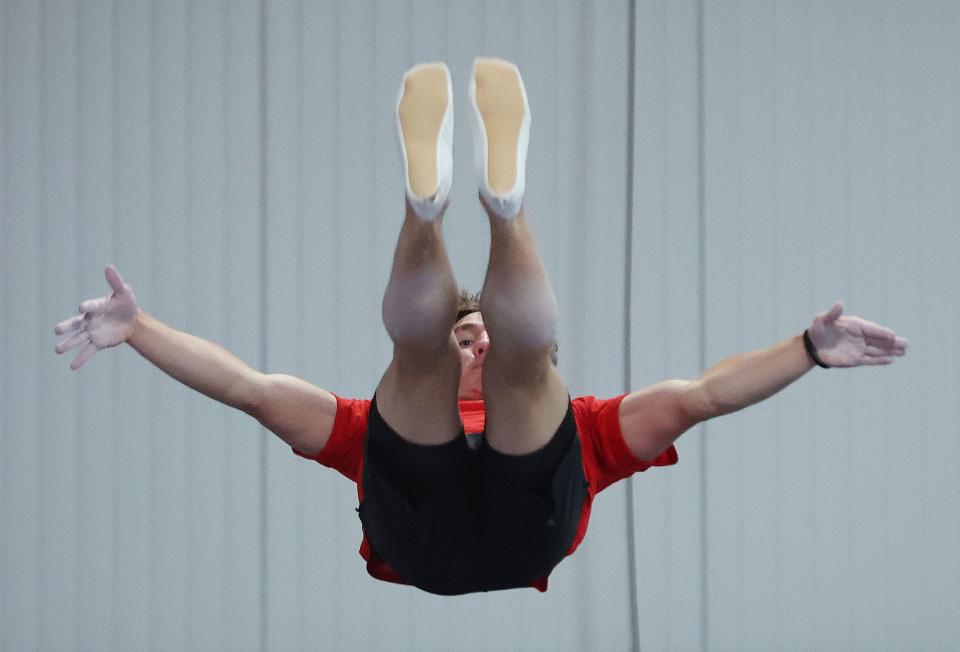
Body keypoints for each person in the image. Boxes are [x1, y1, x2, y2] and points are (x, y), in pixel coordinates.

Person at [54, 59, 908, 595]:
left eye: (477, 333)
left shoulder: (504, 426)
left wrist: (806, 353)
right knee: (491, 365)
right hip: (499, 533)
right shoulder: (578, 432)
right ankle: (498, 211)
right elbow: (243, 387)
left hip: (424, 535)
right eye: (472, 334)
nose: (478, 344)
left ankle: (438, 210)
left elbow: (705, 395)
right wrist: (144, 330)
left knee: (466, 366)